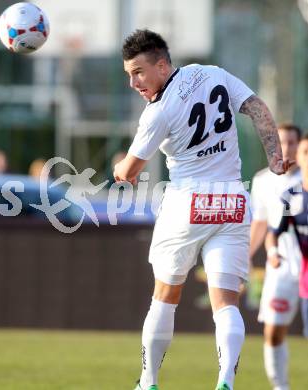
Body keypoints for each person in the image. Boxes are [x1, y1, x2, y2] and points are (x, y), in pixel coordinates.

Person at [113, 29, 291, 390]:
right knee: (225, 302)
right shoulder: (212, 73)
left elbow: (130, 170)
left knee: (165, 294)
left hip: (187, 203)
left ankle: (148, 382)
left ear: (162, 66)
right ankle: (225, 379)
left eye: (138, 72)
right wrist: (274, 157)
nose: (133, 83)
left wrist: (120, 170)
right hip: (231, 201)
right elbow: (256, 107)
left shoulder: (158, 112)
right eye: (129, 75)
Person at [250, 124, 302, 390]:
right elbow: (261, 224)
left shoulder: (305, 179)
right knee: (273, 331)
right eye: (281, 142)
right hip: (280, 267)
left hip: (305, 266)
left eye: (293, 143)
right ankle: (280, 387)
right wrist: (245, 258)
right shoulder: (262, 181)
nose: (287, 148)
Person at [267, 134, 308, 341]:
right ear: (298, 158)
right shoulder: (291, 197)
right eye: (306, 153)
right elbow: (274, 233)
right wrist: (273, 253)